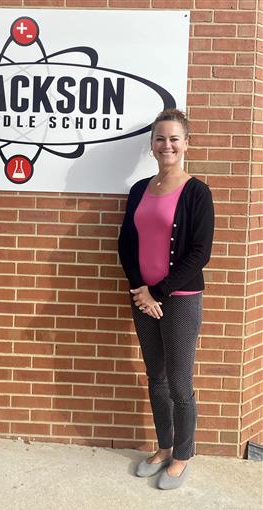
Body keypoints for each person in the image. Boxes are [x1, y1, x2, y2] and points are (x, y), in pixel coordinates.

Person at [118, 108, 215, 490]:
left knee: (178, 381)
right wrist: (141, 290)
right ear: (152, 144)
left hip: (179, 299)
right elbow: (126, 243)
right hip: (143, 297)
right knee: (155, 377)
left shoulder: (197, 192)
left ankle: (183, 455)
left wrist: (158, 291)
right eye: (160, 138)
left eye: (174, 138)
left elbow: (199, 253)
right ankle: (163, 445)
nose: (167, 145)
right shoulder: (139, 189)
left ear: (186, 143)